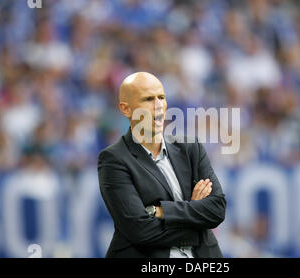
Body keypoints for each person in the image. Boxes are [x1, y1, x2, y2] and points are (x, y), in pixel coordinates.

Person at [97, 72, 226, 258]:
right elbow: (140, 231)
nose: (158, 106)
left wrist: (163, 211)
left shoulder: (191, 148)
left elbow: (217, 209)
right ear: (126, 109)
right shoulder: (113, 159)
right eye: (148, 99)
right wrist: (195, 216)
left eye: (161, 97)